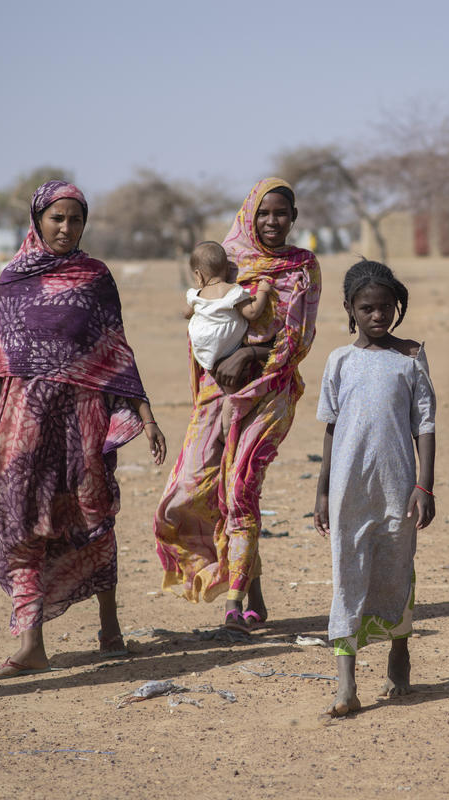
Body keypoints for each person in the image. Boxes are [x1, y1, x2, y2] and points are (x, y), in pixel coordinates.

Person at [0, 180, 166, 680]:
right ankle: (31, 641)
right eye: (57, 218)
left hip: (83, 417)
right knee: (20, 516)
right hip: (25, 421)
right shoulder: (12, 277)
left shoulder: (95, 276)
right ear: (37, 220)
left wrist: (146, 415)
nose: (66, 227)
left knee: (92, 511)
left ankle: (110, 626)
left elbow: (115, 349)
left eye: (75, 219)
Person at [154, 179, 321, 632]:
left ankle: (233, 603)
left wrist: (251, 354)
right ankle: (255, 595)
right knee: (193, 486)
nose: (272, 221)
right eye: (264, 213)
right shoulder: (228, 259)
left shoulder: (304, 266)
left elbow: (300, 335)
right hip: (218, 391)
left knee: (241, 486)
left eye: (281, 213)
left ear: (294, 217)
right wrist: (219, 361)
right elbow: (202, 322)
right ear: (250, 213)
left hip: (272, 389)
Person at [314, 260, 436, 716]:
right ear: (349, 308)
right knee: (347, 570)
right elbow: (330, 428)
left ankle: (398, 649)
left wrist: (424, 485)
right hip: (348, 487)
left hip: (398, 484)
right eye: (367, 308)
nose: (378, 316)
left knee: (395, 565)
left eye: (386, 307)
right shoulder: (338, 361)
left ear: (397, 307)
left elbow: (425, 422)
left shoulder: (410, 357)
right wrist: (322, 490)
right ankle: (345, 681)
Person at [184, 240, 273, 372]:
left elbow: (186, 314)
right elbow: (252, 313)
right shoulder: (233, 291)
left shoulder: (196, 294)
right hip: (225, 342)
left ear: (198, 275)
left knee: (215, 370)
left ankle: (215, 373)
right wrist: (263, 291)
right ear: (227, 269)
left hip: (202, 342)